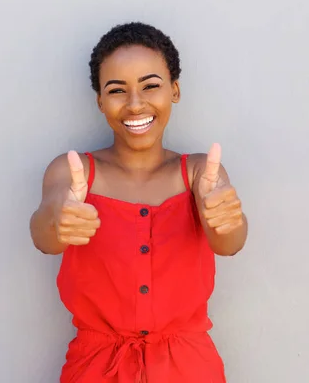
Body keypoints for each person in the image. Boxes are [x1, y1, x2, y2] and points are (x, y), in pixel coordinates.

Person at [30, 22, 248, 383]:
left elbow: (229, 244)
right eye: (117, 90)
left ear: (174, 90)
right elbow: (43, 235)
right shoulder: (73, 172)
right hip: (95, 369)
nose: (135, 104)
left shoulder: (199, 173)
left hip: (190, 369)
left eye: (150, 86)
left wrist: (226, 220)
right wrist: (60, 219)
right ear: (100, 100)